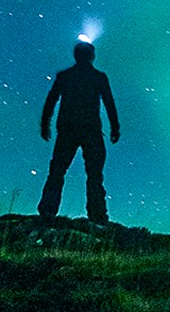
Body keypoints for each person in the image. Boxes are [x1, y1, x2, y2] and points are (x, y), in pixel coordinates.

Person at [38, 40, 121, 222]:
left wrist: (45, 123)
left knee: (58, 171)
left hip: (68, 129)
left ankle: (48, 210)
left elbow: (51, 100)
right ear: (92, 56)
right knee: (94, 174)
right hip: (90, 130)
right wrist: (115, 127)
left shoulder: (65, 76)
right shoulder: (98, 77)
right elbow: (109, 102)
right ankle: (97, 214)